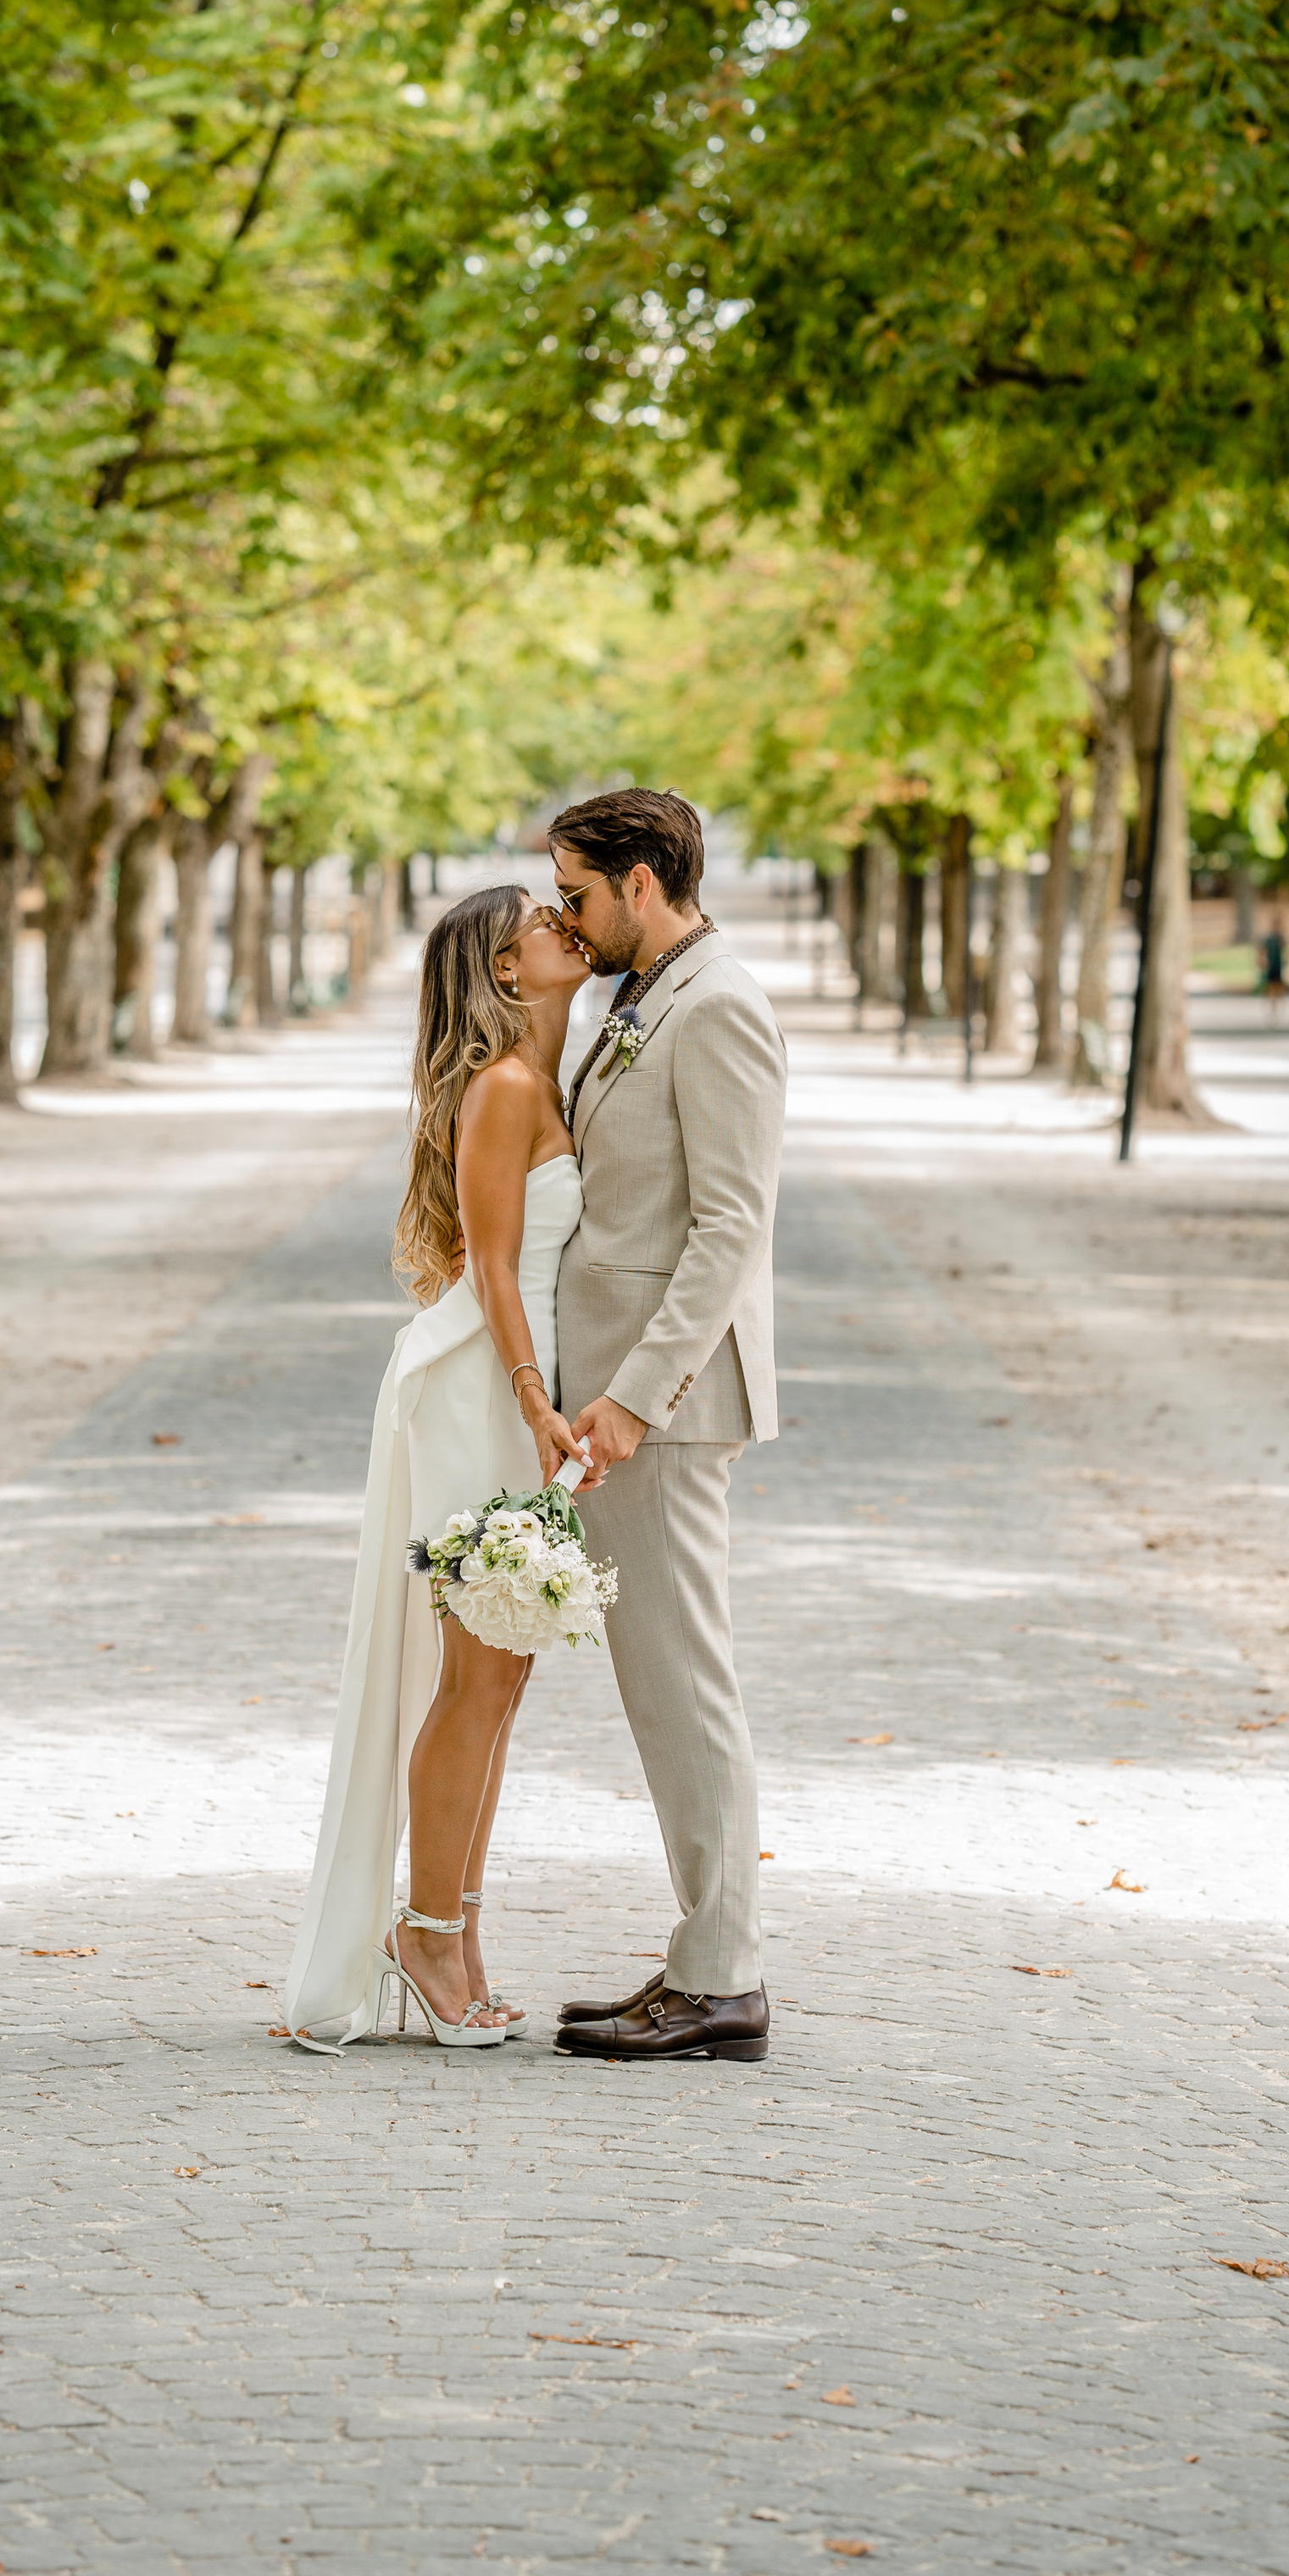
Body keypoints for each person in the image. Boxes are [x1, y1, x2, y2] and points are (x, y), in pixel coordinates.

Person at [282, 885, 595, 2052]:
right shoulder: (507, 1090)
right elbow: (496, 1270)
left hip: (517, 1395)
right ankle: (422, 1934)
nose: (565, 924)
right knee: (476, 1678)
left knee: (500, 1682)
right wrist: (534, 1400)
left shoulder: (544, 1076)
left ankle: (455, 1935)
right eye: (538, 922)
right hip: (482, 1389)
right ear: (505, 972)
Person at [544, 786, 786, 2067]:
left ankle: (724, 1976)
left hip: (666, 1406)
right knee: (659, 1685)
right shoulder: (637, 999)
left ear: (645, 879)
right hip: (615, 1390)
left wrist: (637, 1397)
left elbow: (729, 1231)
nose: (570, 923)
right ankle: (702, 1959)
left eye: (581, 895)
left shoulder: (724, 1006)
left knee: (687, 1680)